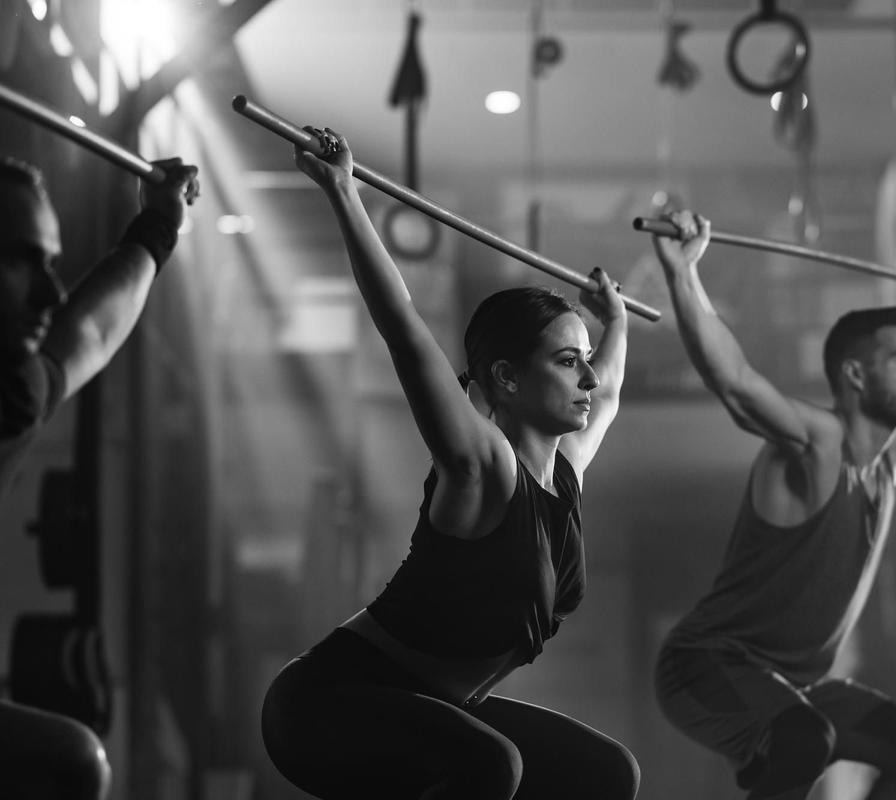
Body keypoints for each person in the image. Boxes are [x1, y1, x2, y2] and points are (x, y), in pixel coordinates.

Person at [259, 128, 639, 800]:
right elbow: (405, 332)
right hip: (327, 706)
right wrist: (343, 192)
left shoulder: (566, 471)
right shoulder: (483, 465)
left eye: (585, 360)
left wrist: (618, 323)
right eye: (565, 361)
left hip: (435, 715)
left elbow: (605, 393)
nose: (586, 379)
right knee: (493, 767)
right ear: (507, 380)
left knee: (606, 775)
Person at [651, 209, 896, 800]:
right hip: (705, 667)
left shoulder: (887, 460)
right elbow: (735, 384)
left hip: (798, 687)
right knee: (804, 740)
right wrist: (683, 273)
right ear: (855, 376)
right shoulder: (819, 444)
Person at [0, 154, 200, 798]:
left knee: (73, 763)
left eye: (50, 263)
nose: (49, 292)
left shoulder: (11, 396)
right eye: (21, 260)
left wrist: (158, 228)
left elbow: (85, 330)